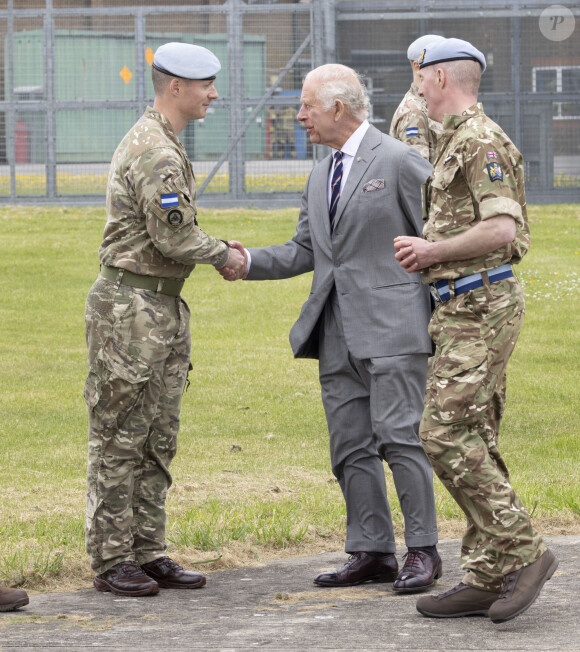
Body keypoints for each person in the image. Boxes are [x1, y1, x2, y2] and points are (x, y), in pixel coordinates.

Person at [222, 63, 441, 593]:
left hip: (393, 331)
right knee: (349, 446)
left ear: (338, 109)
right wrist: (245, 260)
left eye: (307, 107)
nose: (299, 117)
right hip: (335, 332)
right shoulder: (320, 173)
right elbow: (306, 250)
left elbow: (439, 241)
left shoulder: (400, 161)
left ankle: (422, 550)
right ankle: (371, 551)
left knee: (399, 438)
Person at [394, 37, 558, 623]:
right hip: (461, 305)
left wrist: (432, 249)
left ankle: (522, 549)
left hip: (479, 304)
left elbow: (503, 231)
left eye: (421, 74)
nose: (415, 82)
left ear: (441, 78)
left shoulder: (480, 140)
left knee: (441, 433)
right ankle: (489, 576)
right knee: (475, 434)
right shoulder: (455, 139)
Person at [83, 42, 246, 597]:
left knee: (157, 436)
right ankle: (111, 560)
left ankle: (147, 551)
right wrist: (227, 254)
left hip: (160, 304)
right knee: (120, 435)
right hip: (132, 310)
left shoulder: (164, 140)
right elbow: (173, 235)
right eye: (205, 86)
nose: (213, 95)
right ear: (175, 86)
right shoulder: (155, 149)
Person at [389, 34, 445, 163]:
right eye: (439, 65)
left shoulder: (427, 105)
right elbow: (417, 174)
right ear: (417, 67)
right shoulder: (414, 113)